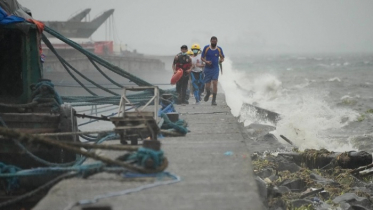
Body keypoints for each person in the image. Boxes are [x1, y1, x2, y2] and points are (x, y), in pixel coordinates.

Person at [201, 36, 225, 105]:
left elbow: (222, 58)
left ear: (217, 41)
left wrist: (221, 60)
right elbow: (202, 58)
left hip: (215, 68)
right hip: (208, 69)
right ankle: (208, 93)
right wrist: (206, 61)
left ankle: (214, 100)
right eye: (212, 40)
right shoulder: (206, 48)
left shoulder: (219, 49)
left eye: (215, 41)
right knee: (207, 85)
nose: (214, 42)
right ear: (210, 41)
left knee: (215, 83)